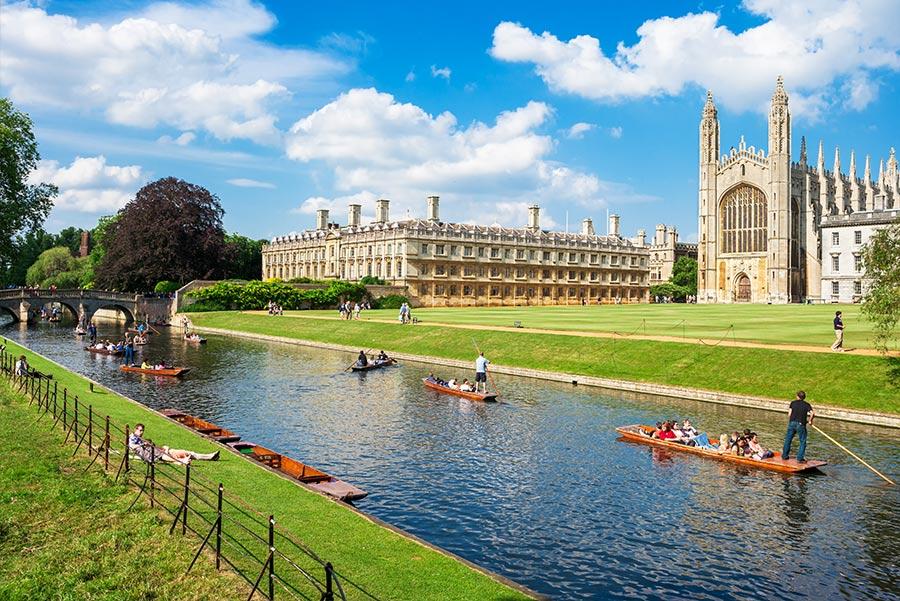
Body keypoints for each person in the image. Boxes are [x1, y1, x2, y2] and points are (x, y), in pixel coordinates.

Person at [128, 423, 219, 464]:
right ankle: (182, 461)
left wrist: (161, 447)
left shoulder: (140, 438)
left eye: (142, 430)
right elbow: (131, 446)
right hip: (156, 454)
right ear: (135, 429)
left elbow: (151, 445)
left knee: (186, 452)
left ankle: (209, 456)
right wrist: (143, 445)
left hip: (159, 451)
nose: (141, 432)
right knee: (171, 456)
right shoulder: (133, 437)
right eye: (139, 430)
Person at [783, 390, 814, 463]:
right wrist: (810, 421)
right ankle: (799, 458)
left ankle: (785, 456)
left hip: (792, 423)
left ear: (797, 396)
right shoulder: (807, 404)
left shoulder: (793, 403)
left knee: (788, 440)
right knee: (802, 441)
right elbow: (812, 413)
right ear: (804, 397)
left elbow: (789, 414)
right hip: (801, 424)